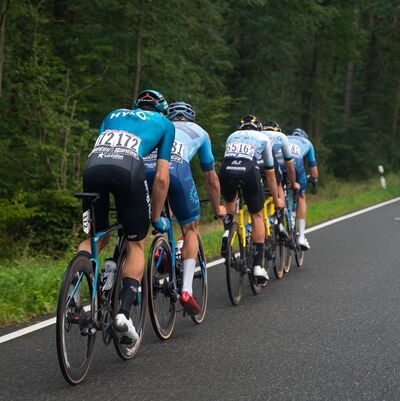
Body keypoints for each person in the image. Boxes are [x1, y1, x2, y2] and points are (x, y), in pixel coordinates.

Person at [77, 89, 175, 340]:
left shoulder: (113, 114)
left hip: (93, 167)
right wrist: (154, 217)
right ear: (162, 110)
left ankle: (73, 294)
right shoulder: (165, 123)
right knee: (136, 243)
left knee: (96, 235)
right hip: (128, 169)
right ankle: (123, 314)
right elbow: (162, 178)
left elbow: (105, 150)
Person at [144, 101, 225, 315]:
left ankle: (161, 246)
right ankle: (187, 290)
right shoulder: (200, 132)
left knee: (156, 212)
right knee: (190, 228)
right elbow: (211, 178)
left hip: (144, 170)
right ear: (191, 118)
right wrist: (217, 208)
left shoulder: (159, 125)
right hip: (176, 170)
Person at [219, 115, 284, 283]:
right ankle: (257, 267)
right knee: (257, 215)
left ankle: (227, 231)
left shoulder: (232, 136)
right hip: (249, 170)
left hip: (226, 169)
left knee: (230, 202)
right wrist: (276, 199)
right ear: (259, 128)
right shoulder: (263, 138)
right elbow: (270, 174)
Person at [283, 127, 318, 250]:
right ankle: (301, 237)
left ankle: (279, 220)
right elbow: (314, 174)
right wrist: (312, 180)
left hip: (279, 162)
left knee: (278, 189)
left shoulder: (285, 138)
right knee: (301, 195)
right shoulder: (307, 143)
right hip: (296, 164)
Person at [262, 121, 300, 198]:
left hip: (255, 164)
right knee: (278, 183)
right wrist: (293, 184)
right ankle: (281, 207)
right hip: (274, 165)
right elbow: (290, 167)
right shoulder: (281, 136)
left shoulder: (259, 135)